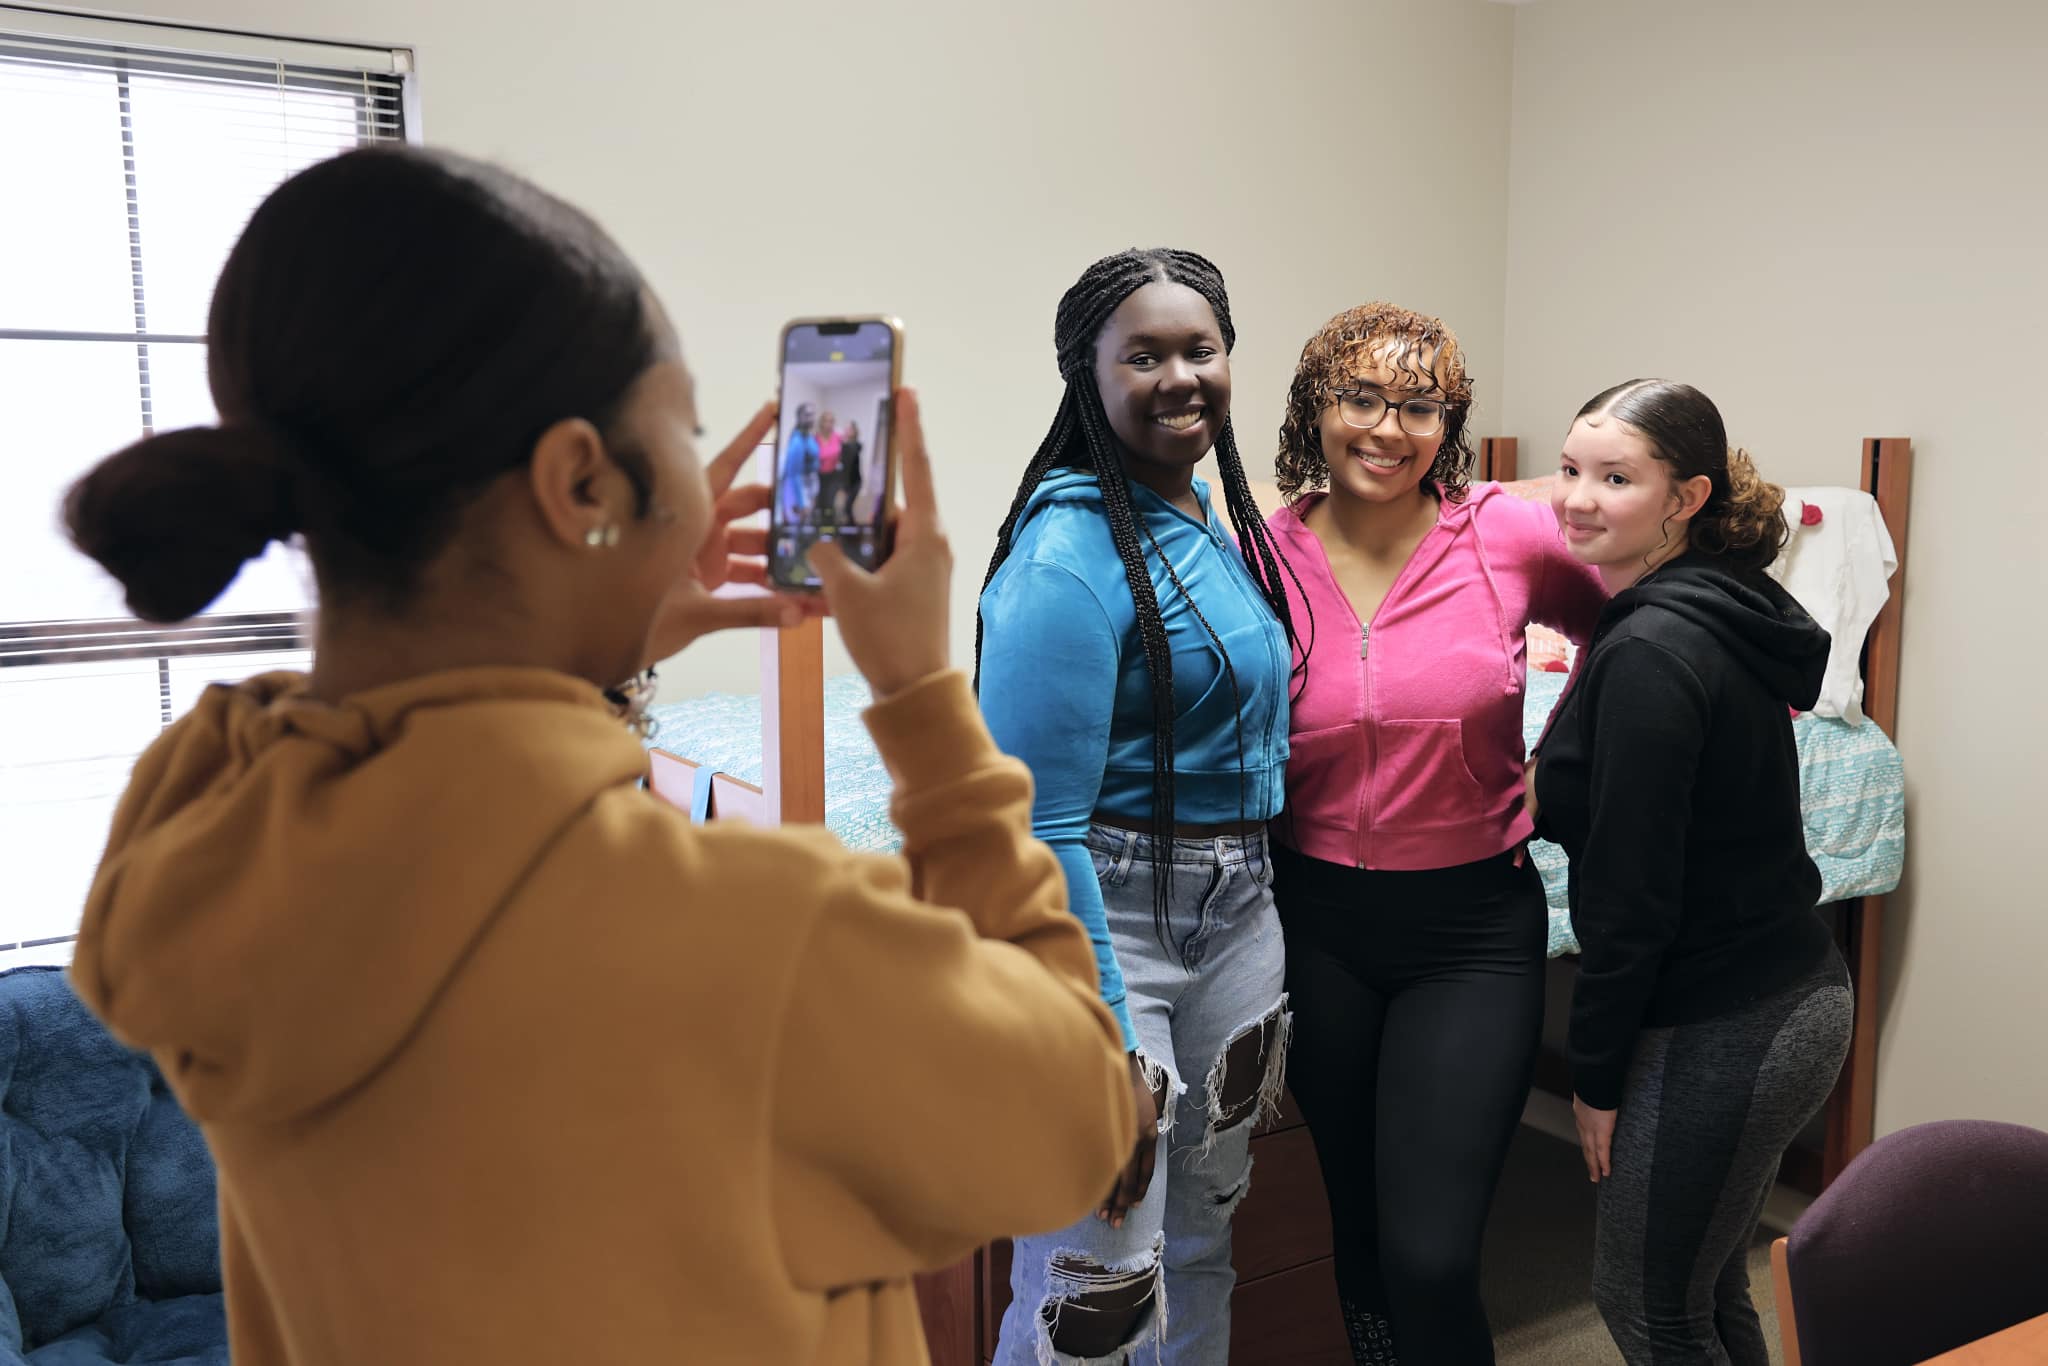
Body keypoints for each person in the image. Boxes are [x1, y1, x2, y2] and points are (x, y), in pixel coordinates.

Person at [59, 145, 1133, 1366]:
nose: (700, 460)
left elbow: (437, 765)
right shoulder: (755, 933)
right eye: (679, 422)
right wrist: (925, 700)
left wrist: (590, 632)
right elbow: (1077, 1123)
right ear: (580, 479)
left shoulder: (202, 813)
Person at [1262, 302, 1608, 1364]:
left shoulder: (1502, 529)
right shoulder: (1257, 554)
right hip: (1312, 925)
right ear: (1316, 408)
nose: (1386, 426)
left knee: (1429, 1252)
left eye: (1418, 405)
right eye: (1359, 396)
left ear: (1447, 422)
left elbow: (1626, 632)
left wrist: (1562, 766)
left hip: (1467, 931)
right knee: (1358, 1232)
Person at [977, 248, 1301, 1365]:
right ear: (1088, 373)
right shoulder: (1063, 558)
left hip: (1237, 920)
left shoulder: (1202, 519)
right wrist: (1108, 1034)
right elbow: (1035, 830)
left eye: (1199, 349)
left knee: (1203, 1239)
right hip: (1101, 924)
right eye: (1143, 354)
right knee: (1096, 1278)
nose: (1180, 376)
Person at [1529, 379, 1852, 1366]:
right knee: (1702, 1287)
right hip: (1788, 994)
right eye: (1572, 470)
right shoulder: (1724, 600)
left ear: (1685, 497)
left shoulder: (1652, 648)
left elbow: (1629, 899)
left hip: (1730, 1019)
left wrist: (1592, 1074)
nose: (1577, 498)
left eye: (1615, 478)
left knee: (1641, 1306)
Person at [779, 401, 819, 524]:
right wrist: (802, 504)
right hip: (798, 490)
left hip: (809, 486)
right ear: (799, 417)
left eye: (812, 414)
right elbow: (793, 475)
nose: (811, 418)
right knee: (797, 527)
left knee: (806, 525)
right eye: (807, 415)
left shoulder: (809, 436)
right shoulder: (797, 441)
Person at [815, 409, 843, 524]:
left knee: (829, 503)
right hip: (818, 476)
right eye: (826, 421)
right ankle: (820, 528)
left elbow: (843, 454)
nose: (828, 424)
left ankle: (830, 529)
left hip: (833, 475)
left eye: (831, 421)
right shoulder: (814, 439)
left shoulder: (838, 437)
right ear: (821, 423)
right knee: (820, 503)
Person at [838, 418, 865, 522]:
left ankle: (851, 526)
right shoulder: (843, 445)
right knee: (846, 506)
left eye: (849, 429)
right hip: (846, 482)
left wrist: (841, 440)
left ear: (854, 432)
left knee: (847, 508)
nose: (846, 430)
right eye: (846, 428)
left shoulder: (856, 445)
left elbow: (851, 448)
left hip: (855, 483)